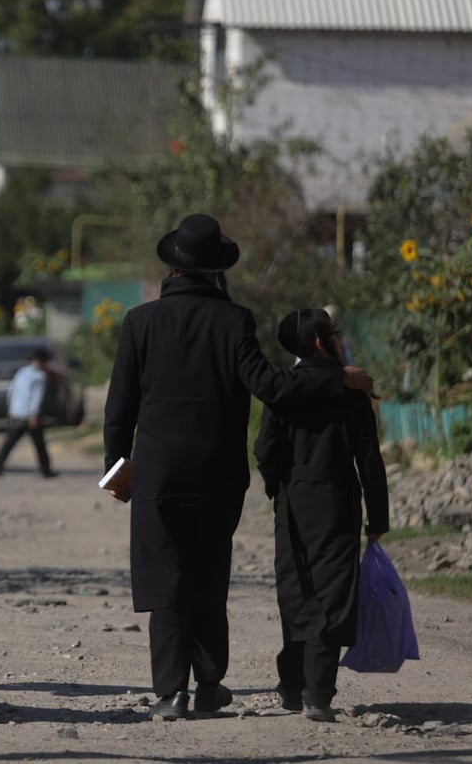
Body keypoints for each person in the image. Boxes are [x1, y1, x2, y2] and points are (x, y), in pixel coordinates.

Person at [102, 213, 373, 721]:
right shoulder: (234, 321)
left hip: (158, 472)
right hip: (217, 473)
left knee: (166, 577)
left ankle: (170, 693)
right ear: (215, 272)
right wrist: (337, 379)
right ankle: (208, 686)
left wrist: (116, 470)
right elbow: (271, 387)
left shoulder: (139, 322)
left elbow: (119, 409)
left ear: (173, 268)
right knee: (207, 574)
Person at [253, 308, 389, 722]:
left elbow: (264, 450)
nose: (338, 340)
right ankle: (317, 693)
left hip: (293, 502)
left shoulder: (283, 391)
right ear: (319, 342)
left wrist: (278, 485)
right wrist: (378, 517)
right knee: (332, 594)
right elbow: (369, 459)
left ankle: (291, 686)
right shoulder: (352, 391)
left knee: (296, 590)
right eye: (333, 334)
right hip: (337, 500)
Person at [0, 347, 57, 478]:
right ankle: (45, 470)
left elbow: (12, 391)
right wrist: (34, 414)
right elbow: (36, 397)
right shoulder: (40, 376)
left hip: (18, 413)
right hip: (29, 416)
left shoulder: (22, 372)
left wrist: (11, 409)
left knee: (11, 442)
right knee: (38, 444)